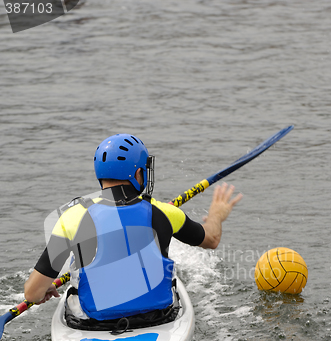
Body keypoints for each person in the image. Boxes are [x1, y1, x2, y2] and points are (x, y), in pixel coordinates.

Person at [24, 133, 242, 328]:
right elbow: (211, 239)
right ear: (138, 174)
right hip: (157, 317)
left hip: (92, 322)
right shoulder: (165, 212)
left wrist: (44, 290)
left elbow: (32, 293)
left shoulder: (73, 216)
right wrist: (217, 214)